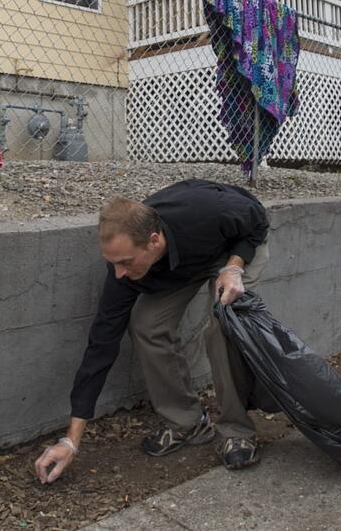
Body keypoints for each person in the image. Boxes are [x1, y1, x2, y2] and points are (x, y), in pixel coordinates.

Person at [34, 179, 271, 484]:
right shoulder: (124, 272)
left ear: (154, 241)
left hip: (234, 248)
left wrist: (234, 266)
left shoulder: (206, 212)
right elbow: (101, 346)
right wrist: (71, 441)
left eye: (125, 262)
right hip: (179, 263)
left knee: (225, 323)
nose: (119, 274)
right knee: (147, 324)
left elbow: (256, 219)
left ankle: (237, 431)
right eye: (113, 264)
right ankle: (188, 421)